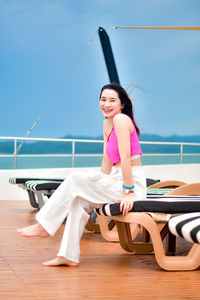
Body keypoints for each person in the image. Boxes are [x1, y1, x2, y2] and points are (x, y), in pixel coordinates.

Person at [17, 83, 147, 267]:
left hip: (131, 181)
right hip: (115, 179)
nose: (106, 104)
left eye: (112, 100)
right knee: (78, 201)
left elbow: (125, 157)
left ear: (121, 105)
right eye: (103, 99)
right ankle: (68, 255)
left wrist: (129, 193)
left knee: (75, 179)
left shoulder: (121, 120)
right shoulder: (107, 124)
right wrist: (99, 181)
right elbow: (106, 161)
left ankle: (44, 224)